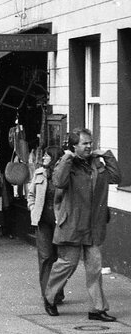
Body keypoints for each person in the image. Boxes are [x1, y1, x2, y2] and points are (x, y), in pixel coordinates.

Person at [43, 128, 121, 320]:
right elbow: (59, 182)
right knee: (67, 264)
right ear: (74, 146)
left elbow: (116, 178)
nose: (89, 146)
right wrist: (67, 158)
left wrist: (107, 155)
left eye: (90, 143)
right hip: (72, 224)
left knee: (95, 268)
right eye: (84, 143)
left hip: (93, 226)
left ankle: (97, 309)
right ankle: (50, 298)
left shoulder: (96, 163)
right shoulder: (67, 164)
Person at [26, 146, 63, 307]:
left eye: (47, 155)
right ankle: (47, 295)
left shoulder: (63, 176)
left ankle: (57, 292)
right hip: (42, 221)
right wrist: (33, 208)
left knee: (59, 259)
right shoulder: (39, 173)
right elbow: (31, 194)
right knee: (46, 257)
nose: (43, 158)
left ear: (55, 158)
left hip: (60, 222)